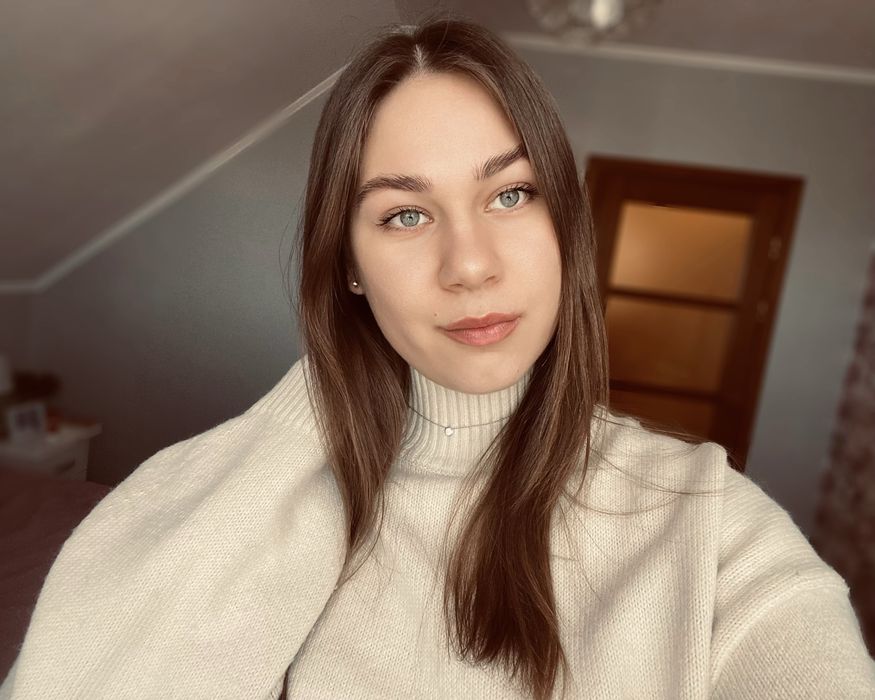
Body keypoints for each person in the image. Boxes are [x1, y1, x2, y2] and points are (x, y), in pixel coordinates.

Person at [3, 11, 875, 700]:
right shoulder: (261, 482)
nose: (469, 265)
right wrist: (322, 398)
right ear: (347, 264)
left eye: (511, 194)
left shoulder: (712, 528)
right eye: (405, 215)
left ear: (565, 225)